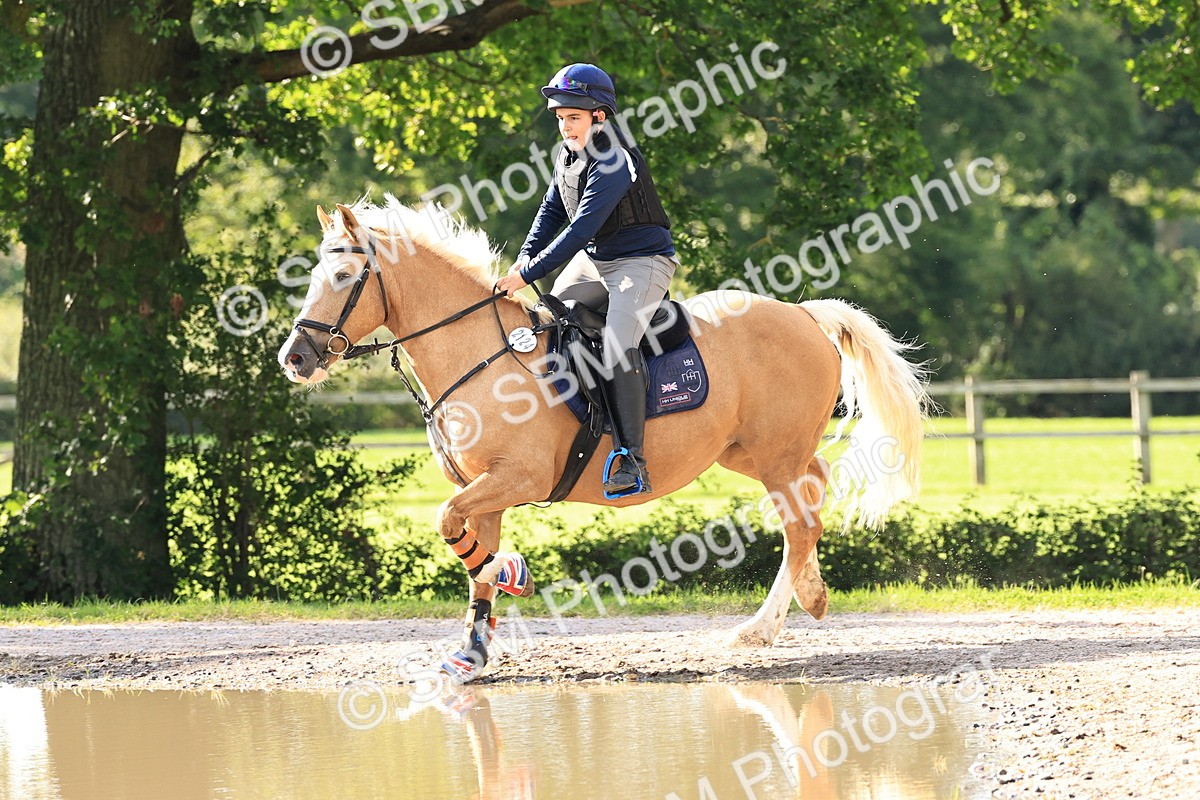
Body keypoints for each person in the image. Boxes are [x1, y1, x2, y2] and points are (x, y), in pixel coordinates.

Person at [496, 63, 677, 495]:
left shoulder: (614, 159)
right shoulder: (569, 156)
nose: (565, 127)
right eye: (560, 118)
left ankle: (631, 459)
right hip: (596, 262)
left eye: (572, 118)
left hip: (641, 262)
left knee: (617, 343)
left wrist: (527, 273)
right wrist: (522, 259)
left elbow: (579, 230)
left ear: (600, 115)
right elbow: (550, 214)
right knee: (547, 321)